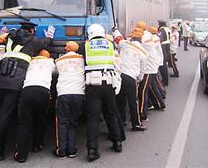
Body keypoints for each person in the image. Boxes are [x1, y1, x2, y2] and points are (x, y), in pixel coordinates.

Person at [0, 22, 55, 162]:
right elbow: (46, 42)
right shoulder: (33, 40)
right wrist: (50, 35)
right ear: (32, 31)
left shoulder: (10, 36)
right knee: (5, 116)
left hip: (0, 78)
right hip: (14, 81)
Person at [83, 24, 123, 162]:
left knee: (93, 118)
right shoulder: (110, 44)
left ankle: (92, 150)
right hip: (109, 83)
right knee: (110, 114)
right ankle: (117, 143)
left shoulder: (85, 46)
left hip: (93, 85)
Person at [14, 50, 56, 163]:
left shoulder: (30, 62)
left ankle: (22, 155)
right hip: (43, 91)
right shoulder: (50, 62)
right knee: (40, 119)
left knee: (24, 123)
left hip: (27, 90)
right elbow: (55, 71)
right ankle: (37, 144)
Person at [53, 41, 85, 159]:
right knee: (73, 122)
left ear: (66, 49)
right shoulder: (82, 59)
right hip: (78, 94)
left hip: (63, 94)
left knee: (62, 122)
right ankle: (72, 150)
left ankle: (61, 150)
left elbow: (55, 72)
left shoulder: (59, 60)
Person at [114, 28, 148, 131]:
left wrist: (115, 30)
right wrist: (139, 79)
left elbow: (117, 39)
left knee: (120, 100)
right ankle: (136, 124)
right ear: (141, 38)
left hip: (120, 76)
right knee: (133, 102)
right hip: (131, 78)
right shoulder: (143, 52)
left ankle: (122, 121)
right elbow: (143, 69)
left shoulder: (124, 44)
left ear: (132, 37)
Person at [139, 25, 165, 121]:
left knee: (144, 90)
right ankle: (158, 104)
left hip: (148, 69)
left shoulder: (146, 40)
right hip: (153, 66)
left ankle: (144, 112)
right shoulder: (152, 37)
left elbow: (139, 47)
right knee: (152, 86)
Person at [158, 20, 171, 86]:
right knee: (164, 64)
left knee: (162, 65)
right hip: (168, 46)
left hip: (163, 46)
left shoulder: (161, 29)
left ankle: (165, 81)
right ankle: (165, 80)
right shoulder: (167, 29)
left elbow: (160, 39)